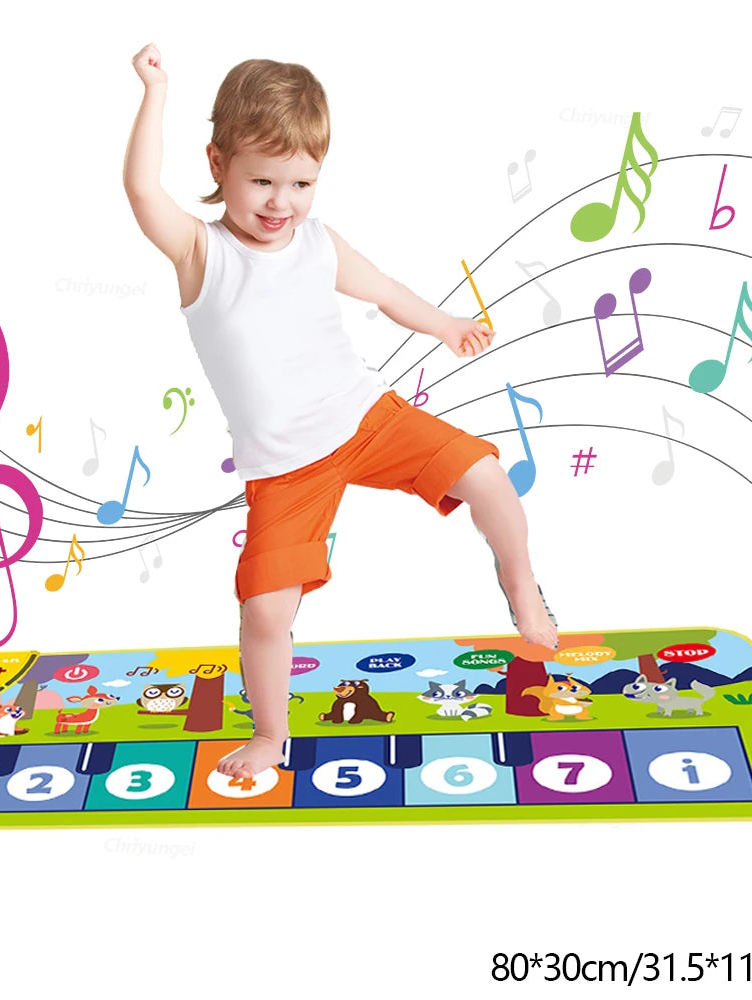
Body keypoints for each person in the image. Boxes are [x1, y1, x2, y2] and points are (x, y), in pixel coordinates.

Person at [123, 44, 558, 780]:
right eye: (260, 179)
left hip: (365, 419)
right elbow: (140, 191)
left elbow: (385, 290)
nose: (279, 202)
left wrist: (446, 325)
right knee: (266, 611)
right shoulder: (202, 252)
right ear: (216, 163)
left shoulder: (320, 245)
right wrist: (155, 90)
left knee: (486, 472)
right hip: (287, 467)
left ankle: (520, 587)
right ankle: (269, 735)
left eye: (300, 182)